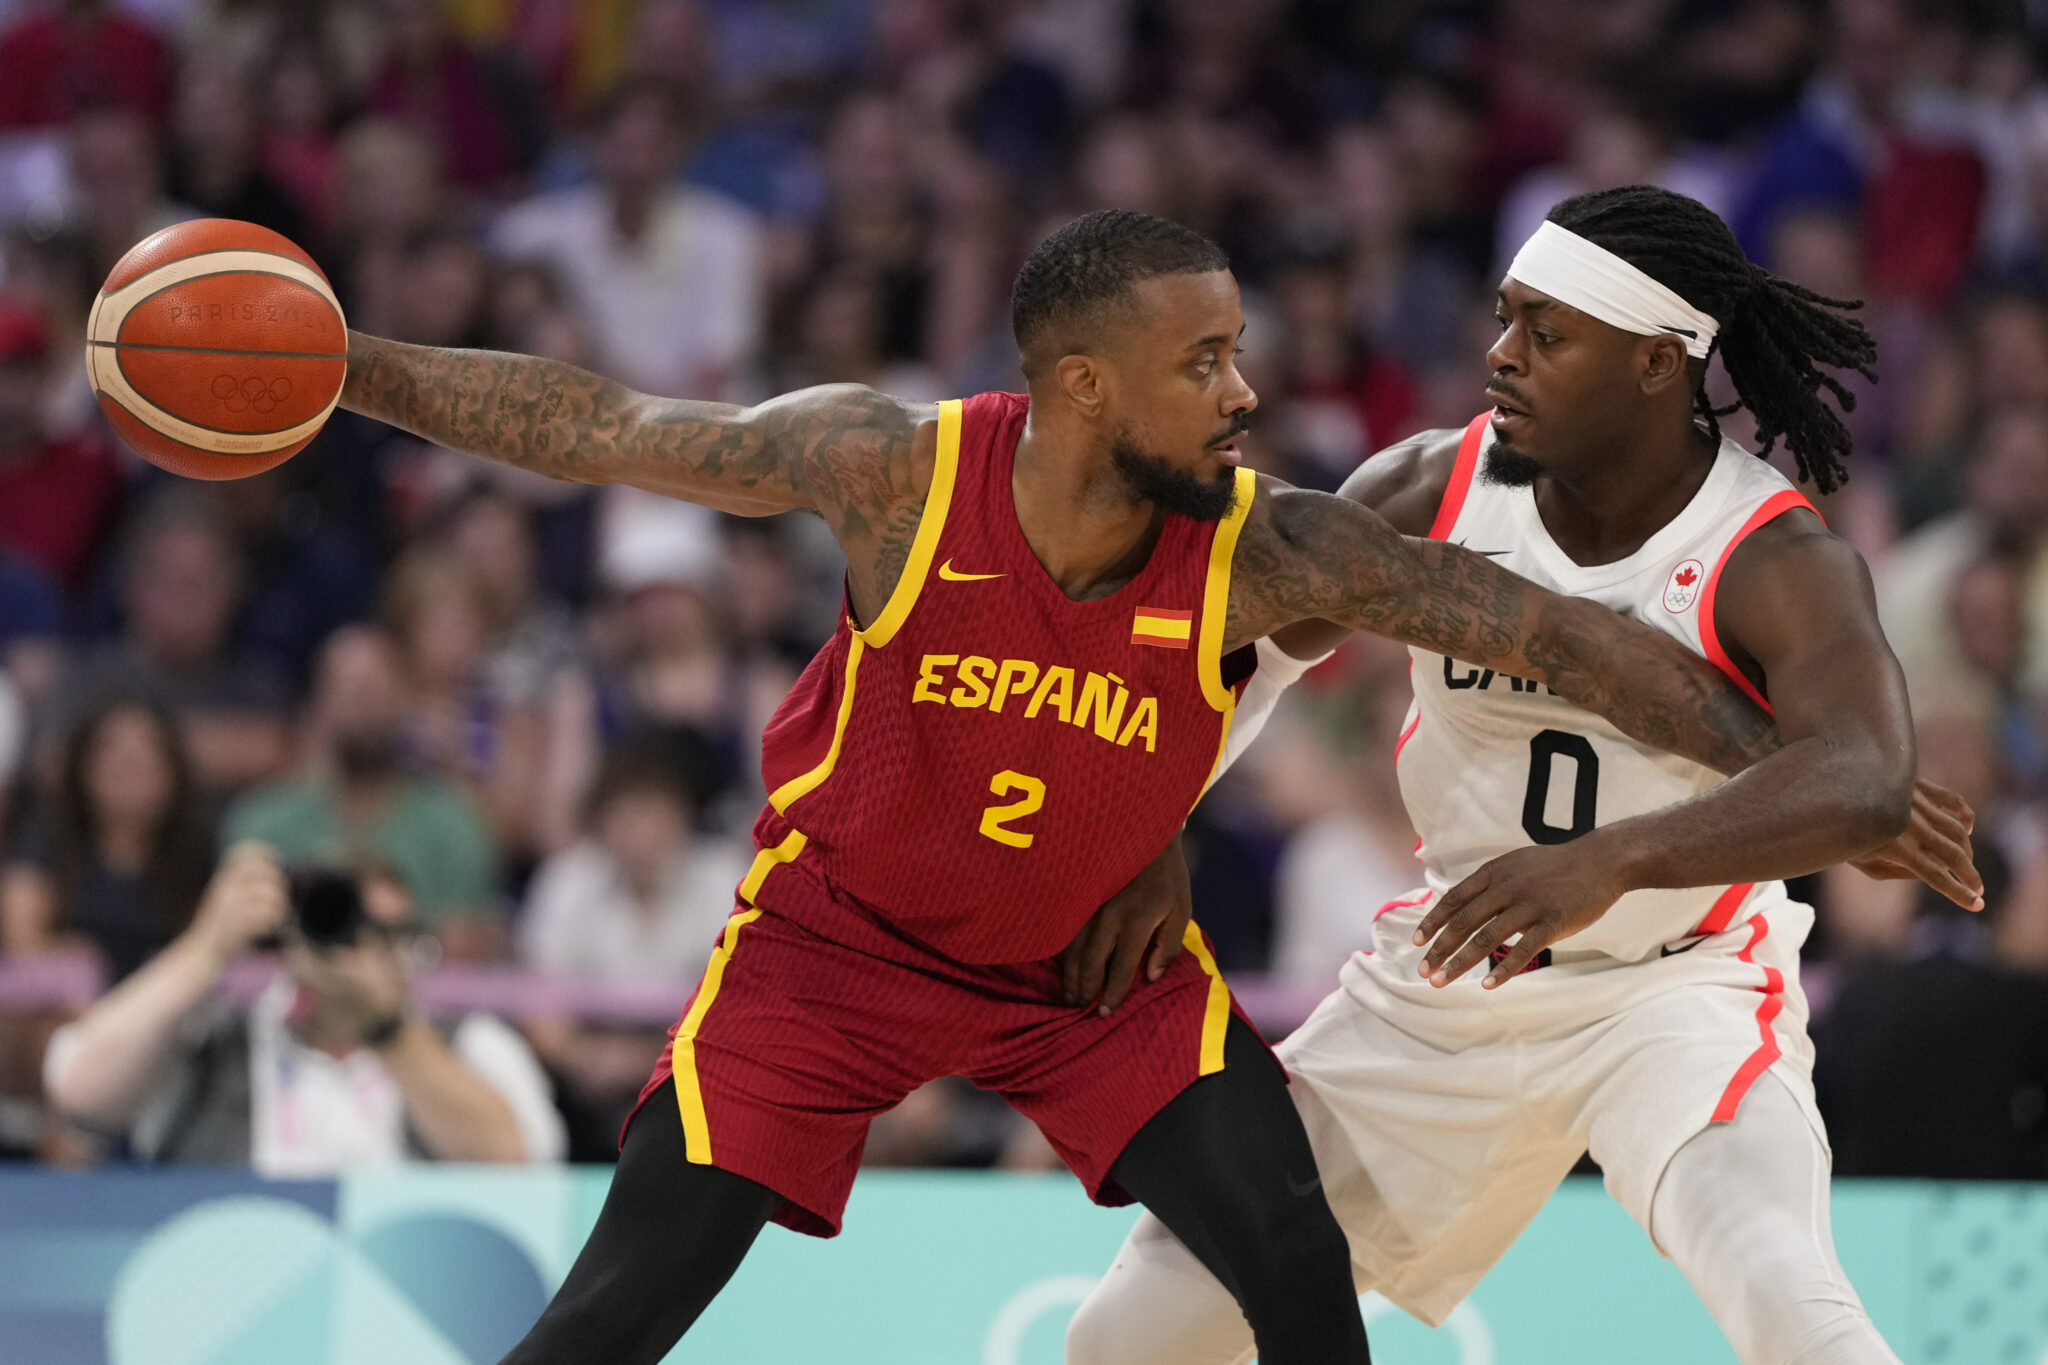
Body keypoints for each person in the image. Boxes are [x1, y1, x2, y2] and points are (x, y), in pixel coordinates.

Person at [338, 206, 1798, 1365]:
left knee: (1297, 1266)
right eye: (1203, 362)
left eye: (1236, 354)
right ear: (1085, 386)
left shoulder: (1266, 547)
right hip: (832, 954)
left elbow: (1559, 638)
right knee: (608, 1323)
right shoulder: (895, 473)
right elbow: (596, 421)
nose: (1243, 391)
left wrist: (1803, 768)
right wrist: (341, 367)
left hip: (1085, 966)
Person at [1065, 186, 1982, 1365]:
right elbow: (1241, 663)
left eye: (1544, 335)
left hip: (1672, 993)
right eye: (1503, 319)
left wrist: (1607, 863)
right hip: (1447, 979)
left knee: (1790, 1308)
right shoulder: (1427, 488)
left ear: (1653, 363)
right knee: (1125, 1339)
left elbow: (1862, 780)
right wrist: (1152, 823)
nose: (1499, 355)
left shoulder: (1771, 553)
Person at [41, 844, 564, 1173]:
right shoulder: (211, 1039)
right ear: (297, 936)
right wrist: (207, 946)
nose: (360, 949)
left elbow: (522, 1165)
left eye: (387, 933)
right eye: (341, 925)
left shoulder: (472, 1043)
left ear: (414, 945)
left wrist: (386, 1029)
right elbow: (78, 1090)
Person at [224, 626, 503, 960]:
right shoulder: (262, 825)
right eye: (352, 692)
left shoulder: (455, 827)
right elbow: (240, 943)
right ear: (318, 704)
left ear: (405, 701)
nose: (365, 709)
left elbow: (463, 947)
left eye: (377, 691)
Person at [1, 694, 213, 982]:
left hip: (167, 998)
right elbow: (21, 943)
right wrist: (62, 957)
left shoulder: (193, 849)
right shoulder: (45, 838)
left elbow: (211, 948)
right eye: (112, 755)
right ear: (83, 766)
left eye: (146, 756)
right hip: (65, 1002)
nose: (129, 765)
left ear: (174, 772)